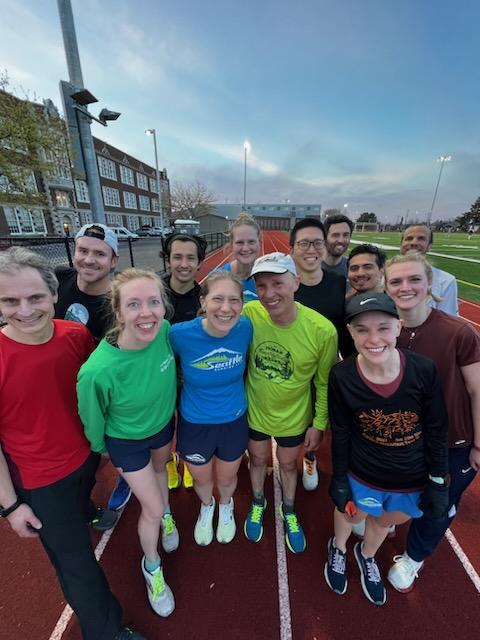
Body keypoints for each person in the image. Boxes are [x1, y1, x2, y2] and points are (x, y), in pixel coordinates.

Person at [0, 247, 143, 640]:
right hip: (41, 483)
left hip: (85, 459)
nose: (25, 310)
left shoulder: (76, 335)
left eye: (35, 298)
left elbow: (99, 388)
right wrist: (11, 506)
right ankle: (107, 632)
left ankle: (90, 509)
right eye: (10, 301)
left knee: (86, 503)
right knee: (77, 563)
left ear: (53, 296)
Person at [325, 292, 449, 606]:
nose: (373, 338)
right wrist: (339, 478)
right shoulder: (342, 376)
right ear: (350, 333)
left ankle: (366, 555)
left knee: (383, 522)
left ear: (399, 327)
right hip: (362, 473)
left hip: (410, 477)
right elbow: (340, 431)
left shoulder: (423, 370)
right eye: (362, 330)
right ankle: (338, 547)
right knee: (352, 517)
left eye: (383, 327)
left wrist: (438, 480)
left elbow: (436, 428)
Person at [77, 268, 177, 618]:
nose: (146, 312)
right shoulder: (97, 371)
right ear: (118, 313)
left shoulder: (164, 332)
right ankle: (152, 568)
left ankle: (167, 516)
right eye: (134, 304)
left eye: (153, 302)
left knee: (162, 471)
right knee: (148, 506)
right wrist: (104, 449)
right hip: (126, 442)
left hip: (163, 427)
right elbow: (92, 418)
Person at [384, 253, 480, 592]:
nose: (405, 287)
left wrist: (478, 444)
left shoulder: (458, 332)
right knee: (403, 492)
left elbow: (477, 389)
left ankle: (413, 557)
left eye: (413, 280)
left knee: (438, 506)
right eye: (396, 281)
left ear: (428, 284)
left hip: (453, 443)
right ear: (386, 286)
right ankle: (392, 523)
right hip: (406, 440)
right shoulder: (385, 331)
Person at [242, 253, 338, 553]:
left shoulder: (323, 331)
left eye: (277, 283)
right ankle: (258, 501)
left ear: (296, 282)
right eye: (261, 286)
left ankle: (289, 508)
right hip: (254, 412)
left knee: (287, 465)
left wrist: (319, 423)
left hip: (294, 417)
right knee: (257, 460)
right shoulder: (248, 314)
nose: (269, 294)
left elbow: (324, 383)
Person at [169, 271, 252, 545]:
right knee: (202, 479)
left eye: (234, 300)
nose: (226, 308)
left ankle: (225, 505)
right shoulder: (179, 335)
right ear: (203, 302)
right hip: (195, 423)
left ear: (242, 303)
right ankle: (207, 506)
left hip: (233, 421)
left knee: (227, 479)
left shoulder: (246, 328)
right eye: (217, 299)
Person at [55, 223, 132, 515]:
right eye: (83, 250)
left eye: (99, 254)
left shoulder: (116, 305)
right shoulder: (59, 280)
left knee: (107, 447)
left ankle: (126, 476)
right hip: (59, 382)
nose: (89, 259)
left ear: (113, 261)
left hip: (97, 389)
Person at [289, 218, 345, 491]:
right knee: (294, 421)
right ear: (292, 250)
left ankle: (310, 458)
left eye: (317, 243)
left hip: (327, 371)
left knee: (322, 423)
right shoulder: (286, 286)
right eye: (304, 243)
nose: (311, 249)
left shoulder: (339, 284)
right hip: (293, 370)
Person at [161, 232, 208, 491]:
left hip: (190, 377)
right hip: (159, 375)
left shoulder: (203, 299)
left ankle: (189, 461)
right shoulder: (154, 292)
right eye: (177, 257)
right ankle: (169, 461)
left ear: (199, 262)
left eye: (190, 258)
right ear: (168, 259)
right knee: (164, 424)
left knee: (190, 424)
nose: (184, 264)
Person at [400, 224, 458, 315]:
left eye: (421, 239)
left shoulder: (446, 281)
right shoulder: (384, 275)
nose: (414, 243)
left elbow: (448, 319)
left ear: (430, 246)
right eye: (409, 238)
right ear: (401, 245)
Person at [213, 211, 261, 302]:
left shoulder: (270, 278)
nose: (246, 248)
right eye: (240, 242)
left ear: (259, 243)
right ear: (231, 245)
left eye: (251, 242)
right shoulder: (216, 278)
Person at [322, 214, 354, 278]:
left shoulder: (353, 269)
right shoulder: (309, 267)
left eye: (345, 235)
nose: (341, 240)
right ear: (324, 238)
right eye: (335, 235)